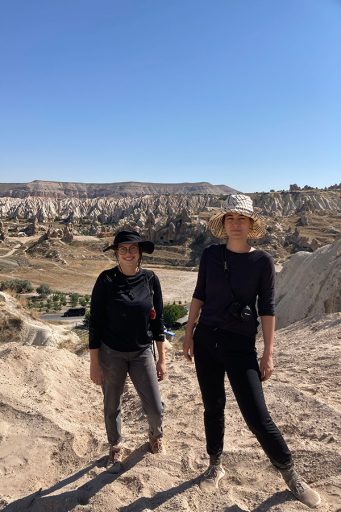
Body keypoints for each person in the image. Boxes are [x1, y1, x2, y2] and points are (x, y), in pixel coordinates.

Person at [183, 194, 321, 509]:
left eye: (241, 219)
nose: (235, 224)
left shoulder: (262, 262)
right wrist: (189, 332)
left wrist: (268, 353)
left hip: (240, 345)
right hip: (206, 340)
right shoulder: (210, 256)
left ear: (251, 225)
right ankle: (215, 464)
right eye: (230, 218)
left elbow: (268, 309)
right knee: (212, 406)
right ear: (223, 223)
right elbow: (199, 295)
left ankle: (291, 475)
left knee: (257, 417)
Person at [89, 230, 166, 472]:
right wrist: (94, 363)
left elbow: (158, 321)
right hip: (111, 353)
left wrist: (161, 358)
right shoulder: (105, 280)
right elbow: (96, 323)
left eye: (133, 248)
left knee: (154, 406)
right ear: (116, 253)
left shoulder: (151, 280)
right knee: (112, 404)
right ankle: (115, 446)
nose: (128, 253)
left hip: (142, 351)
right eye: (123, 249)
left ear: (140, 253)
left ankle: (155, 434)